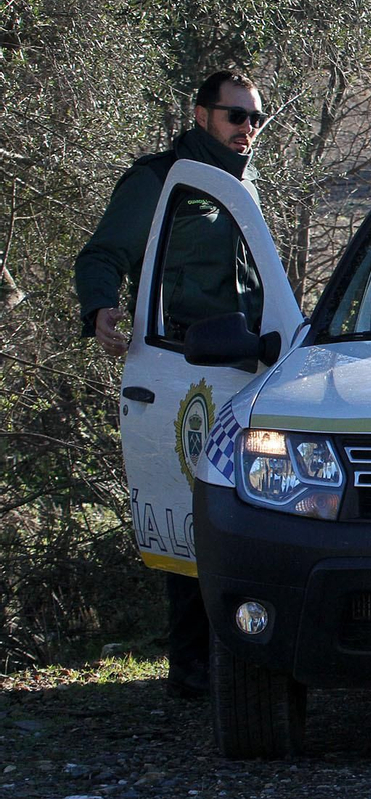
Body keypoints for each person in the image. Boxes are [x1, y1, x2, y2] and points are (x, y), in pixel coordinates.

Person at [75, 70, 268, 699]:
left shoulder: (243, 187)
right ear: (201, 115)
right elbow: (104, 255)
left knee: (247, 511)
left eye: (256, 119)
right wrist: (101, 307)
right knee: (191, 514)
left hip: (248, 367)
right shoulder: (161, 180)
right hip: (185, 364)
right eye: (236, 116)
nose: (247, 130)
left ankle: (240, 654)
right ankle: (190, 667)